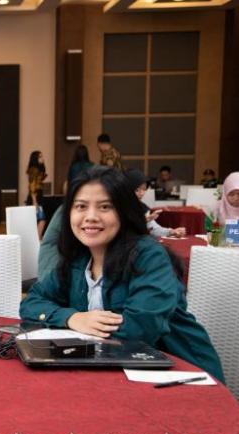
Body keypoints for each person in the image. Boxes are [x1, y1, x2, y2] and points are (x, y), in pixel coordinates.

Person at [19, 166, 224, 381]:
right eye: (81, 206)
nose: (90, 217)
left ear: (124, 211)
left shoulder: (149, 256)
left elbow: (139, 330)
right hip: (110, 371)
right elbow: (31, 303)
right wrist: (72, 318)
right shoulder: (77, 258)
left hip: (181, 375)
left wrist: (81, 327)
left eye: (105, 207)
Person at [126, 169, 186, 238]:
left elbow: (154, 229)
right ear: (126, 189)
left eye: (144, 189)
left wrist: (171, 232)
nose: (142, 193)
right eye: (137, 190)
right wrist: (144, 220)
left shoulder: (142, 207)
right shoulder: (118, 206)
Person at [26, 151, 47, 238]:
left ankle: (37, 239)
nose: (42, 158)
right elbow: (32, 186)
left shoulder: (37, 169)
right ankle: (37, 239)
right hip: (35, 197)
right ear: (35, 158)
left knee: (38, 220)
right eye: (40, 157)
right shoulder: (34, 170)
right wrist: (35, 201)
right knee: (41, 219)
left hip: (37, 196)